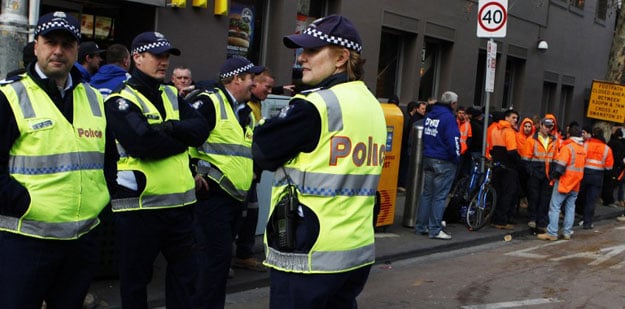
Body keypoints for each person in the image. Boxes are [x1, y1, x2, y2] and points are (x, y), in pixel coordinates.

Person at [252, 15, 387, 308]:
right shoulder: (372, 105)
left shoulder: (316, 105)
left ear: (341, 58)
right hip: (354, 251)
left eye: (313, 50)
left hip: (309, 253)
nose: (302, 58)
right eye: (302, 50)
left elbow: (262, 149)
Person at [0, 11, 117, 308]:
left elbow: (107, 161)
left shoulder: (93, 99)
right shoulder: (11, 97)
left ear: (76, 51)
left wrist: (101, 206)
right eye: (50, 42)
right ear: (36, 45)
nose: (58, 51)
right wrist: (22, 203)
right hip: (26, 240)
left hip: (81, 240)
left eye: (67, 44)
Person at [104, 31, 210, 308]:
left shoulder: (171, 94)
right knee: (136, 282)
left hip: (181, 206)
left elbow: (201, 130)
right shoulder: (120, 99)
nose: (164, 62)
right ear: (137, 58)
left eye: (166, 56)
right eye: (157, 56)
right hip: (139, 208)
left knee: (185, 279)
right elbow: (143, 143)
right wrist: (178, 140)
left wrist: (171, 128)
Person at [189, 55, 262, 307]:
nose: (255, 83)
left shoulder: (246, 113)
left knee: (219, 263)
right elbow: (184, 140)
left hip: (234, 199)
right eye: (251, 78)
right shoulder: (208, 103)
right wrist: (192, 172)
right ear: (235, 79)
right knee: (211, 262)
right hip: (212, 197)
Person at [232, 67, 276, 273]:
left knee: (250, 214)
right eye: (267, 87)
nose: (269, 91)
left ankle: (243, 255)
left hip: (251, 173)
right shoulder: (244, 107)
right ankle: (232, 258)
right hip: (242, 174)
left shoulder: (255, 105)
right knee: (239, 216)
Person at [415, 91, 461, 240]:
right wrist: (456, 157)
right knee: (440, 196)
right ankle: (435, 229)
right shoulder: (448, 118)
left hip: (429, 156)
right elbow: (453, 139)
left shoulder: (430, 114)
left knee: (427, 193)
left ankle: (421, 225)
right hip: (444, 159)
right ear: (453, 104)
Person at [537, 126, 586, 240]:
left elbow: (560, 167)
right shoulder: (582, 150)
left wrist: (553, 178)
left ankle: (552, 233)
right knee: (570, 208)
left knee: (555, 207)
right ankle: (567, 232)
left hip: (564, 182)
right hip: (576, 183)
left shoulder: (567, 147)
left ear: (569, 134)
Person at [521, 118, 557, 231]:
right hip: (536, 173)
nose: (548, 128)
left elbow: (556, 158)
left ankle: (542, 222)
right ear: (540, 126)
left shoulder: (554, 140)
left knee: (545, 199)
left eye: (550, 126)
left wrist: (553, 173)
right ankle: (533, 219)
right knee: (534, 197)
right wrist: (531, 172)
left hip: (547, 174)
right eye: (546, 126)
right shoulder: (532, 140)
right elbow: (525, 159)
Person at [576, 126, 613, 229]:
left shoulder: (586, 145)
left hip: (585, 173)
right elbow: (609, 167)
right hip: (598, 176)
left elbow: (580, 158)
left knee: (580, 196)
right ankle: (587, 223)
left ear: (592, 134)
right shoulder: (607, 149)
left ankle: (579, 215)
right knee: (591, 200)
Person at [489, 109, 520, 230]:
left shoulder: (495, 129)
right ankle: (501, 221)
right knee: (508, 193)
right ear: (506, 118)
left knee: (497, 192)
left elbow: (491, 148)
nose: (515, 120)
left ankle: (494, 218)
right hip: (508, 166)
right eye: (513, 117)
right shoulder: (509, 131)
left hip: (497, 164)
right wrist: (520, 162)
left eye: (516, 118)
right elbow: (512, 151)